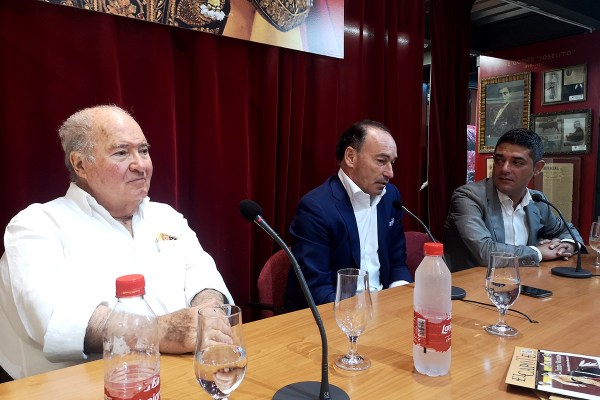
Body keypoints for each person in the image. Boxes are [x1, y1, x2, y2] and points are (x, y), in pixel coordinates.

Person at [0, 105, 234, 379]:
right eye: (122, 153)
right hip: (78, 385)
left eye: (143, 150)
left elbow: (203, 277)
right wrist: (162, 331)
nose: (141, 165)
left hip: (182, 374)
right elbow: (53, 318)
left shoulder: (166, 216)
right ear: (80, 164)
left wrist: (208, 315)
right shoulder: (37, 224)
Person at [284, 120, 412, 311]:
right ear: (351, 157)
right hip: (337, 312)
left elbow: (397, 262)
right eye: (381, 161)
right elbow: (316, 289)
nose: (390, 173)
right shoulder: (316, 208)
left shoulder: (391, 196)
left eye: (392, 162)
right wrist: (363, 313)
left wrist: (399, 298)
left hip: (384, 306)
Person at [442, 128, 586, 272]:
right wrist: (538, 252)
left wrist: (568, 245)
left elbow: (566, 230)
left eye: (517, 163)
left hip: (523, 280)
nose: (504, 169)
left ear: (537, 168)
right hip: (473, 283)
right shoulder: (468, 197)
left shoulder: (537, 201)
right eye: (499, 160)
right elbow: (485, 252)